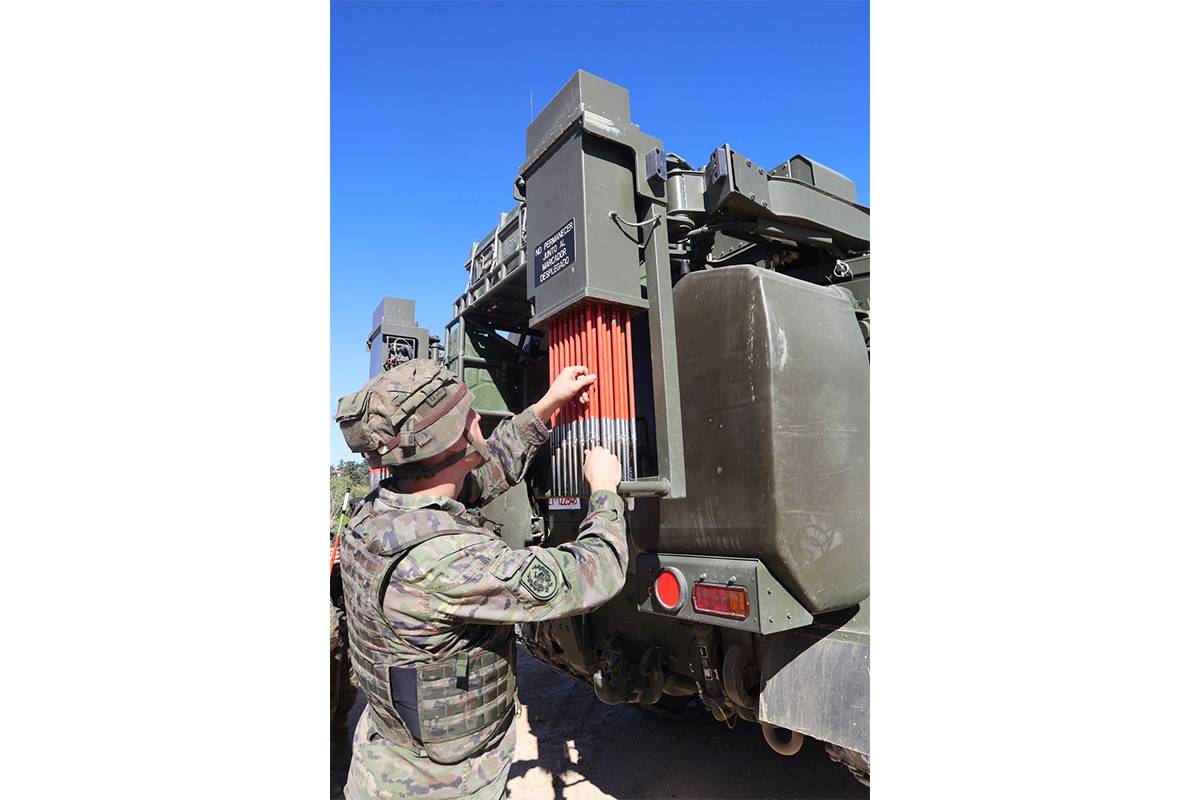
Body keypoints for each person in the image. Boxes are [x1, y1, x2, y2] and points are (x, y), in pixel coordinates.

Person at [334, 358, 628, 800]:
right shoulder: (446, 561)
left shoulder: (378, 512)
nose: (477, 419)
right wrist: (604, 491)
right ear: (448, 440)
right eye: (467, 414)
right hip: (442, 787)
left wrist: (547, 405)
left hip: (386, 765)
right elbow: (594, 572)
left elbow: (485, 473)